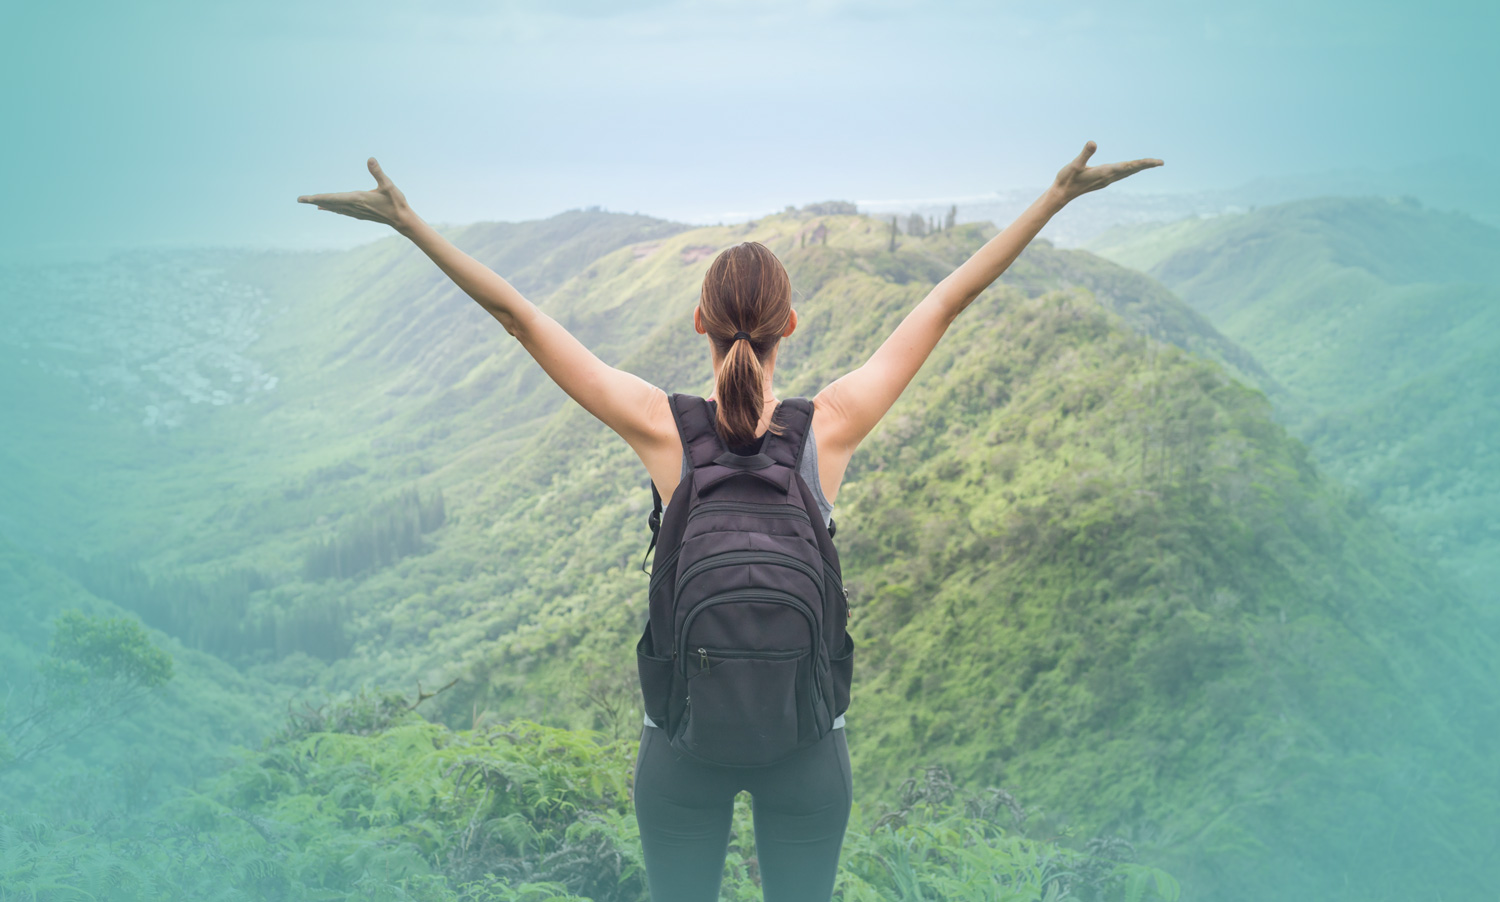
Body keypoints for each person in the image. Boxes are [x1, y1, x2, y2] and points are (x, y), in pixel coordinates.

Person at [298, 141, 1162, 901]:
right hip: (806, 750)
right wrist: (1053, 199)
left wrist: (411, 224)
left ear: (701, 325)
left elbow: (521, 320)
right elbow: (943, 303)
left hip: (682, 751)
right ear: (789, 325)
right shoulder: (831, 425)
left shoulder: (660, 428)